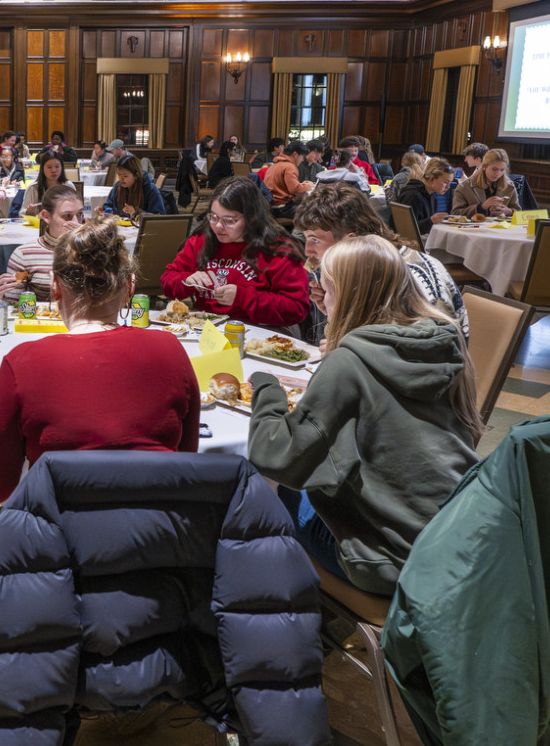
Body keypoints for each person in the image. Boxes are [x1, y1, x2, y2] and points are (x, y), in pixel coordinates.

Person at [246, 234, 481, 595]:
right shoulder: (446, 341)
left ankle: (272, 607)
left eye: (327, 292)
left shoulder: (350, 361)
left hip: (391, 563)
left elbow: (276, 456)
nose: (323, 305)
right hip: (458, 546)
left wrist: (266, 388)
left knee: (270, 489)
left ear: (350, 294)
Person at [0, 218, 202, 505]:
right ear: (130, 286)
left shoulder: (23, 362)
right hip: (159, 535)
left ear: (55, 287)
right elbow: (187, 459)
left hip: (57, 539)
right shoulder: (171, 350)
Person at [294, 182, 462, 337]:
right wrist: (334, 311)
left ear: (350, 240)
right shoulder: (367, 265)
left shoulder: (403, 277)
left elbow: (419, 350)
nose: (307, 251)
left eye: (315, 240)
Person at [161, 176, 311, 329]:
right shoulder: (201, 240)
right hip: (205, 328)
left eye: (229, 220)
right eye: (213, 217)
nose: (218, 226)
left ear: (251, 218)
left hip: (260, 330)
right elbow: (167, 282)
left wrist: (242, 297)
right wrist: (187, 280)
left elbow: (296, 309)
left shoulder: (278, 249)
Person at [0, 184, 85, 300]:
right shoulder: (24, 255)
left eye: (79, 214)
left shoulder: (91, 251)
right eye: (67, 216)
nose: (76, 222)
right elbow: (14, 307)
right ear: (46, 216)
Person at [451, 147, 518, 218]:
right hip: (474, 228)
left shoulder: (509, 186)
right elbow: (455, 213)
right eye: (494, 169)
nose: (498, 174)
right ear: (484, 167)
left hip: (501, 227)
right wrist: (481, 207)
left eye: (502, 170)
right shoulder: (465, 187)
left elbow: (519, 212)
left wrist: (509, 211)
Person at [393, 157, 454, 235]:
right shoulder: (413, 195)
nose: (448, 187)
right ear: (432, 179)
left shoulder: (432, 196)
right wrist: (431, 221)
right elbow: (404, 230)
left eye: (450, 183)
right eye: (445, 182)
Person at [103, 154, 168, 217]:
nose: (121, 179)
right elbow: (108, 205)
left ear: (136, 175)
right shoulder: (118, 187)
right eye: (119, 174)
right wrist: (104, 210)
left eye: (125, 176)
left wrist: (136, 213)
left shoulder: (149, 189)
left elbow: (158, 216)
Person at [263, 141, 310, 214]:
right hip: (280, 207)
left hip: (269, 205)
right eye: (302, 156)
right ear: (295, 154)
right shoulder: (290, 167)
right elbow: (294, 189)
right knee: (311, 211)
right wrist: (308, 186)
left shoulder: (276, 165)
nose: (302, 160)